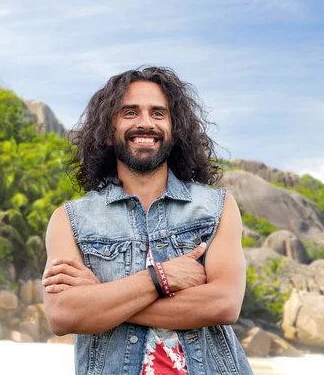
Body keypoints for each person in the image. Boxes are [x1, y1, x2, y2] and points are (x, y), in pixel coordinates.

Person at [42, 66, 253, 375]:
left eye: (158, 113)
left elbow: (223, 304)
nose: (145, 123)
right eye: (130, 113)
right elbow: (63, 314)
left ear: (174, 128)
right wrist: (161, 277)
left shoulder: (216, 207)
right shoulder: (69, 221)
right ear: (108, 132)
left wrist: (103, 297)